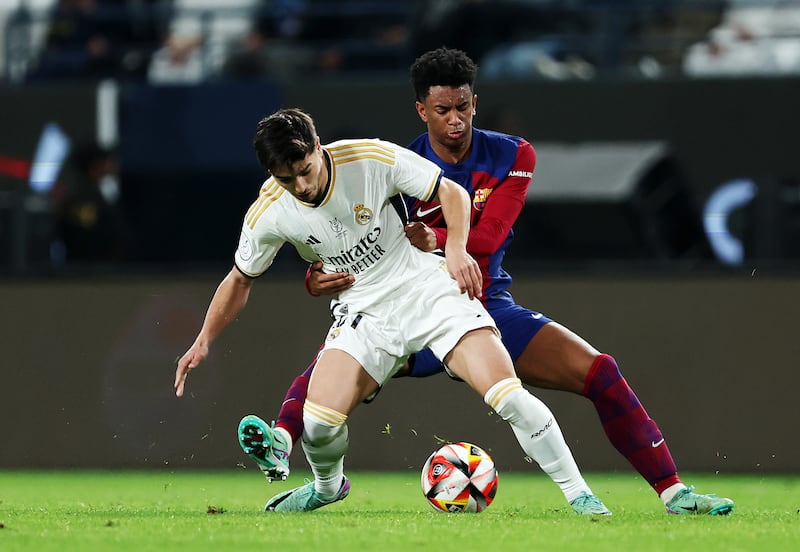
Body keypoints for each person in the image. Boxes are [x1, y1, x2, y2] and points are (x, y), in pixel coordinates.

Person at [239, 48, 735, 516]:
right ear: (422, 111)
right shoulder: (391, 164)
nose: (454, 119)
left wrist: (435, 238)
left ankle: (674, 493)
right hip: (409, 300)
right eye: (441, 109)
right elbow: (350, 241)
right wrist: (315, 277)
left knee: (600, 372)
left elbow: (491, 235)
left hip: (485, 302)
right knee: (330, 369)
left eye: (462, 106)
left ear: (474, 102)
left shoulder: (512, 154)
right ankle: (292, 454)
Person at [175, 107, 611, 514]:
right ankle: (328, 488)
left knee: (508, 395)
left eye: (305, 170)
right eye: (288, 179)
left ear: (318, 147)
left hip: (426, 289)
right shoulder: (269, 211)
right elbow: (239, 279)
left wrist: (456, 249)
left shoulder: (368, 158)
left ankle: (581, 497)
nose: (302, 187)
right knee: (319, 423)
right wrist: (203, 341)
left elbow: (452, 193)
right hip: (365, 313)